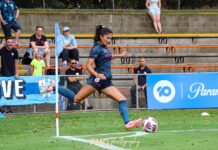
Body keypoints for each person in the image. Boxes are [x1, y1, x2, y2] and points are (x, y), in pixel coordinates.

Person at [0, 37, 19, 113]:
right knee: (2, 91)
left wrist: (17, 73)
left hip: (12, 74)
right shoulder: (2, 50)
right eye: (8, 42)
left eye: (11, 42)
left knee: (10, 92)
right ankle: (1, 108)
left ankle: (7, 108)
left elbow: (16, 63)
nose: (10, 44)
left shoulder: (15, 51)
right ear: (6, 42)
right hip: (3, 73)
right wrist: (2, 44)